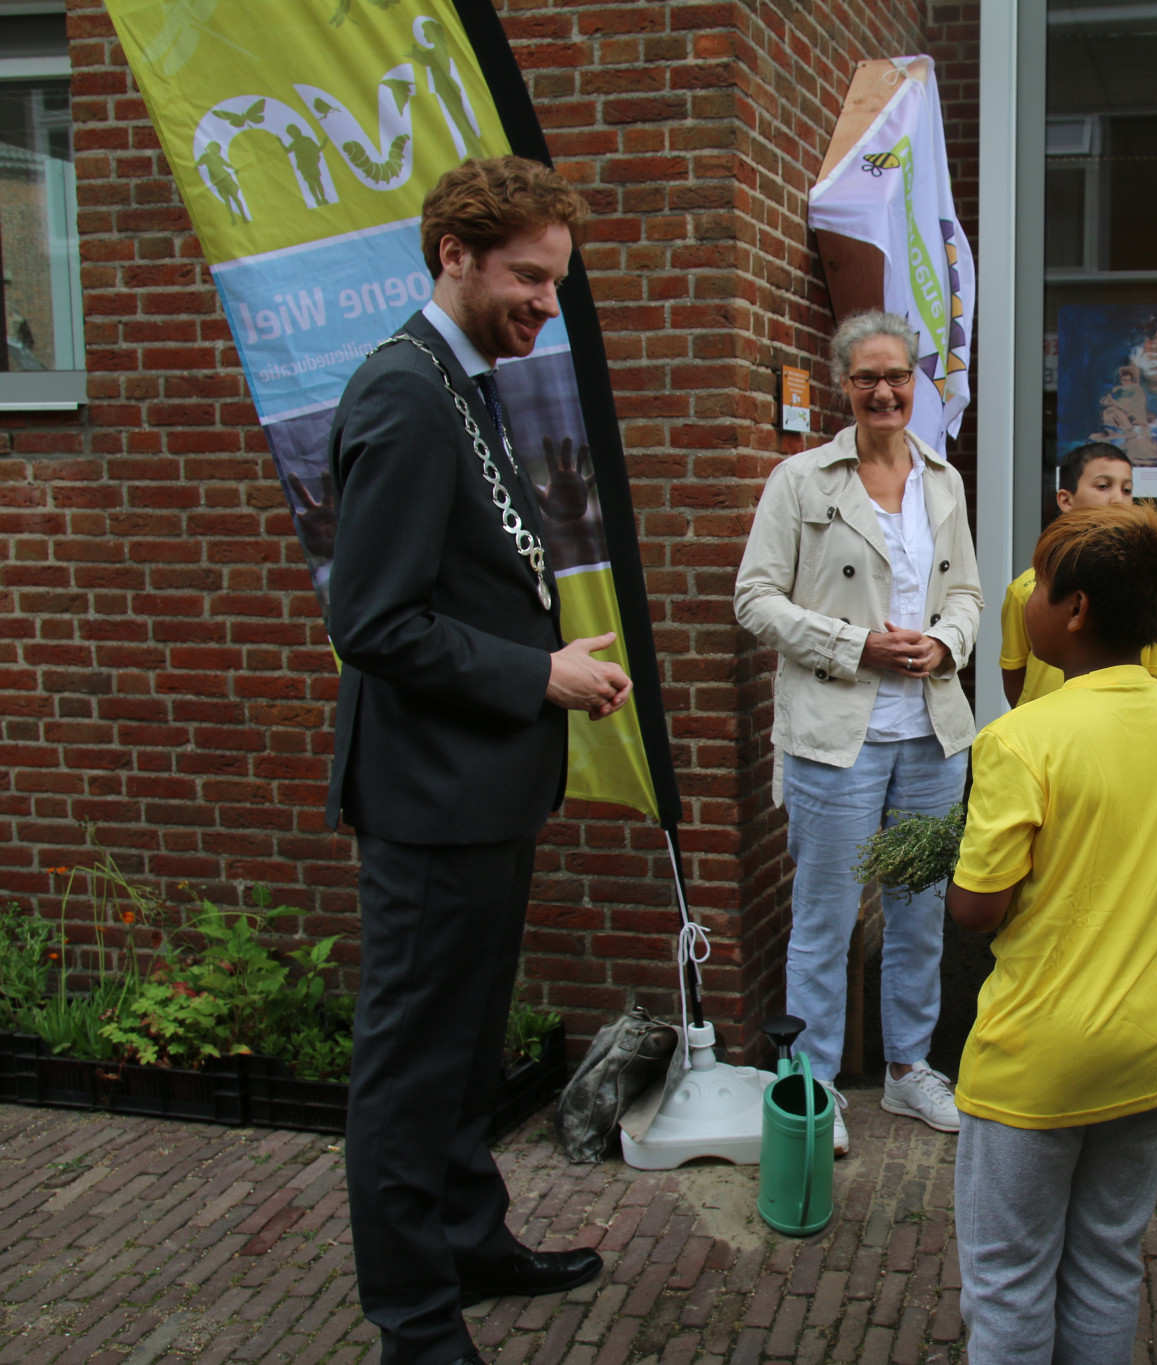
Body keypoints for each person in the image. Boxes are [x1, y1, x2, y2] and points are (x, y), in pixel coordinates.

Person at [325, 157, 627, 1365]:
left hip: (485, 789)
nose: (547, 304)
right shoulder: (402, 394)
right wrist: (536, 676)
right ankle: (413, 1315)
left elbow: (467, 575)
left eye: (556, 282)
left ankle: (468, 1237)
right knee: (411, 1065)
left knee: (465, 1043)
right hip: (431, 798)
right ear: (453, 252)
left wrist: (541, 654)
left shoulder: (465, 382)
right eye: (528, 278)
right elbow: (374, 622)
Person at [947, 502, 1157, 1365]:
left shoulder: (1021, 738)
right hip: (1152, 1048)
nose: (1026, 601)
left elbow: (979, 907)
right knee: (1105, 1262)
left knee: (1007, 1275)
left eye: (1038, 587)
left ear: (1077, 608)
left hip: (1036, 1056)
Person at [733, 309, 983, 1150]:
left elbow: (970, 598)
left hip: (930, 736)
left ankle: (909, 1069)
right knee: (824, 915)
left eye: (899, 376)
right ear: (843, 385)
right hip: (835, 739)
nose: (885, 391)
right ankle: (812, 1079)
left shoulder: (943, 481)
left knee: (920, 911)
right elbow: (755, 599)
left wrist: (945, 642)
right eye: (868, 377)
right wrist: (856, 645)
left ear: (918, 383)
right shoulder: (800, 480)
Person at [1000, 442, 1157, 706]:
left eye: (1127, 489)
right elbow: (1014, 671)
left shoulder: (1143, 585)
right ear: (1066, 499)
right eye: (1103, 486)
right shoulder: (1029, 587)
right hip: (1044, 731)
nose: (1117, 498)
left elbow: (1153, 670)